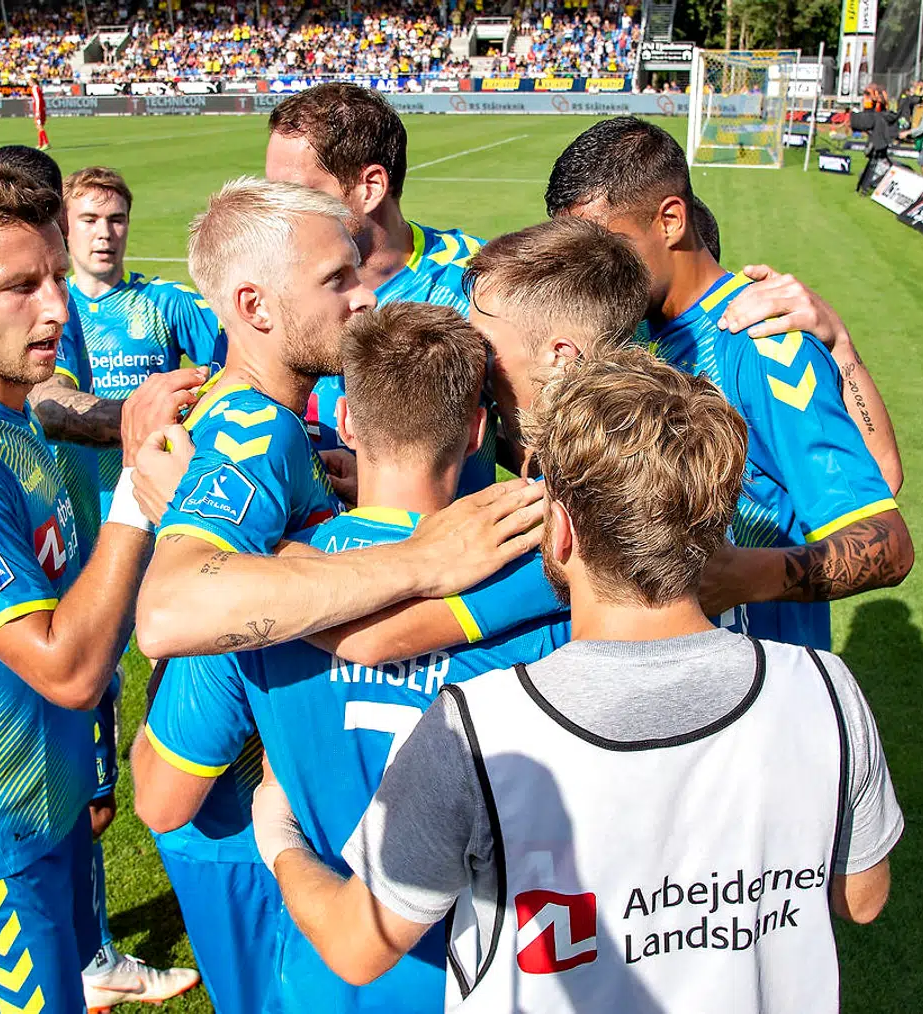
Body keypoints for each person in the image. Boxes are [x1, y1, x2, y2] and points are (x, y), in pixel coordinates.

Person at [251, 347, 902, 1013]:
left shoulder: (477, 729)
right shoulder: (827, 689)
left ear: (558, 530)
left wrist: (277, 840)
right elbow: (863, 897)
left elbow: (358, 947)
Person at [125, 176, 552, 1012]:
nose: (367, 296)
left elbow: (162, 786)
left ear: (349, 423)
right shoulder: (252, 437)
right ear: (253, 304)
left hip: (316, 917)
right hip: (432, 947)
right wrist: (423, 562)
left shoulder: (279, 469)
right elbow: (172, 617)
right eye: (339, 280)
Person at [0, 147, 203, 1012]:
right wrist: (137, 492)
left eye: (56, 277)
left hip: (43, 809)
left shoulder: (10, 411)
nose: (56, 307)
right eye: (20, 286)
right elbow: (64, 664)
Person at [545, 117, 913, 651]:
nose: (589, 270)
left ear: (670, 220)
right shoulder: (622, 333)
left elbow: (885, 543)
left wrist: (740, 578)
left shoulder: (763, 343)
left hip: (754, 696)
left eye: (606, 245)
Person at [264, 83, 492, 491]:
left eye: (297, 194)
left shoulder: (479, 282)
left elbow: (548, 438)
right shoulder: (266, 285)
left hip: (444, 548)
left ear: (370, 188)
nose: (278, 214)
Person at [59, 165, 225, 513]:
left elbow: (240, 359)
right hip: (75, 501)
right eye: (89, 220)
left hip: (149, 499)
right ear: (64, 226)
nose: (104, 233)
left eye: (116, 219)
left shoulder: (166, 301)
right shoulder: (53, 310)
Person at [30, 77, 50, 151]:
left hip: (39, 110)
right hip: (40, 109)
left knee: (39, 126)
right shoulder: (37, 88)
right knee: (38, 126)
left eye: (30, 81)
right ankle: (40, 144)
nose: (29, 83)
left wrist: (38, 111)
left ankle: (46, 143)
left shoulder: (35, 88)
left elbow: (38, 100)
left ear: (33, 82)